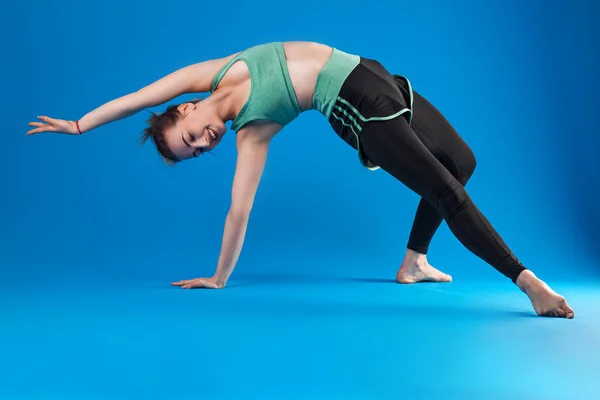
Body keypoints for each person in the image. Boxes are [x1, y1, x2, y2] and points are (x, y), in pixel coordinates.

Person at [26, 41, 574, 319]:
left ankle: (413, 261)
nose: (202, 143)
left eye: (189, 135)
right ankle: (529, 285)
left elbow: (139, 97)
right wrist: (218, 278)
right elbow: (237, 211)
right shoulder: (253, 132)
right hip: (354, 102)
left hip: (372, 71)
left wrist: (80, 125)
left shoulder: (208, 73)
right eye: (195, 153)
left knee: (462, 163)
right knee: (447, 190)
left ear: (187, 108)